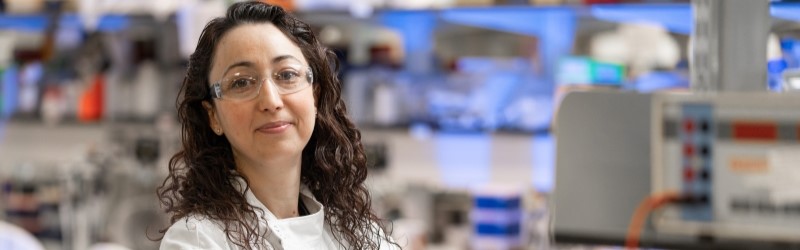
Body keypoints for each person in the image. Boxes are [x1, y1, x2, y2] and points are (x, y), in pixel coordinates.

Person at [157, 2, 399, 249]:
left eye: (286, 75)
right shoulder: (197, 240)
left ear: (314, 96)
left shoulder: (360, 234)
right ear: (213, 116)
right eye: (241, 83)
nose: (271, 101)